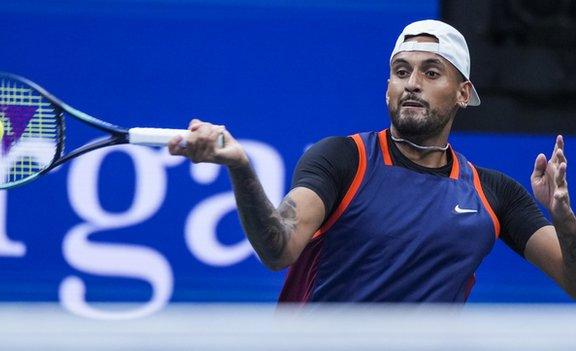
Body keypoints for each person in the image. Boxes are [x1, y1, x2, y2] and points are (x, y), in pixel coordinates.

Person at [168, 20, 576, 302]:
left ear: (463, 93)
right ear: (387, 89)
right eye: (401, 72)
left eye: (432, 73)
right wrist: (241, 166)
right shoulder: (342, 159)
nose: (412, 83)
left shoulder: (494, 194)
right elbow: (278, 249)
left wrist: (564, 221)